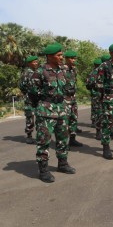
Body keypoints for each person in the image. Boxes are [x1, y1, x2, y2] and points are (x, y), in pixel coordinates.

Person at [29, 43, 75, 183]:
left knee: (62, 139)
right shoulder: (41, 71)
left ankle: (63, 164)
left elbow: (68, 87)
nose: (62, 57)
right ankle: (43, 170)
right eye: (59, 55)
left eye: (62, 55)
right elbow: (32, 92)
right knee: (44, 141)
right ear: (50, 56)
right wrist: (43, 105)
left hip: (61, 109)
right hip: (46, 111)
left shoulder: (64, 70)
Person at [63, 50, 83, 148]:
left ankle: (72, 140)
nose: (73, 60)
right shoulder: (62, 70)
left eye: (74, 58)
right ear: (66, 59)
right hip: (64, 99)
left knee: (74, 119)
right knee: (65, 121)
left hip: (73, 98)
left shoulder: (74, 70)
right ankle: (64, 143)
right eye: (71, 58)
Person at [19, 55, 39, 144]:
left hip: (39, 99)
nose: (36, 63)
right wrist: (28, 93)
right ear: (29, 63)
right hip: (29, 99)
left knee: (40, 117)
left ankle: (40, 135)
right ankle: (29, 135)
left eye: (36, 61)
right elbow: (22, 86)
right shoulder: (26, 73)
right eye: (34, 62)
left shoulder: (39, 72)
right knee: (30, 117)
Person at [85, 58, 102, 140]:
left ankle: (93, 121)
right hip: (101, 94)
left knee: (95, 108)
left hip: (94, 94)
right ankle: (99, 131)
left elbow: (88, 85)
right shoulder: (100, 72)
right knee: (100, 111)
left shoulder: (91, 73)